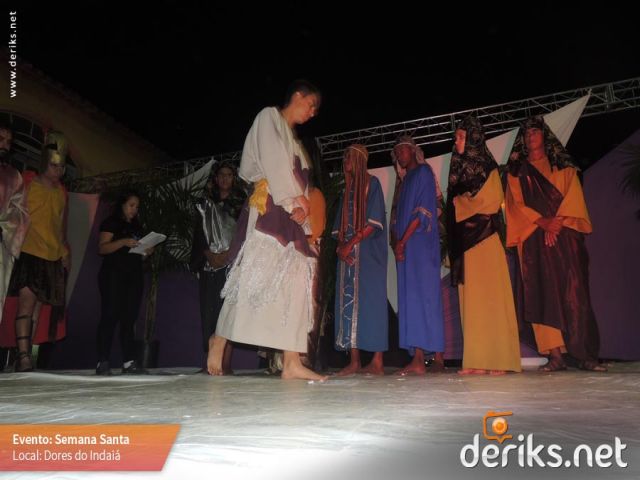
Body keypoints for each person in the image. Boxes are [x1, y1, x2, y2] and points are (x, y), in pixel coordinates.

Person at [207, 80, 327, 381]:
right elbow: (274, 165)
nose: (313, 112)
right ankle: (219, 339)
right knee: (253, 276)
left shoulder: (296, 143)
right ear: (297, 96)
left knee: (296, 283)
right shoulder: (268, 117)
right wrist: (293, 201)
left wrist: (303, 213)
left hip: (292, 215)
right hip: (270, 209)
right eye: (311, 104)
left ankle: (291, 360)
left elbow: (302, 184)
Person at [505, 116, 605, 372]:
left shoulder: (563, 166)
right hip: (533, 238)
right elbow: (515, 204)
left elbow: (573, 195)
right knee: (541, 292)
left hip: (565, 234)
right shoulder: (517, 173)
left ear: (545, 136)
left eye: (535, 132)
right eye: (527, 133)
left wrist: (557, 222)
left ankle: (585, 355)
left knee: (575, 293)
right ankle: (555, 355)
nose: (530, 136)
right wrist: (543, 222)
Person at [446, 116, 521, 375]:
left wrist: (462, 204)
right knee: (472, 302)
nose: (456, 141)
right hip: (466, 245)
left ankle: (498, 360)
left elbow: (491, 202)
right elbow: (453, 206)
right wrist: (460, 203)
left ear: (473, 139)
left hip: (485, 240)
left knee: (491, 300)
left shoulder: (489, 168)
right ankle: (476, 361)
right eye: (456, 137)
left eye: (461, 137)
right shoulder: (457, 171)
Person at [8, 131, 70, 372]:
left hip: (51, 255)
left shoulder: (61, 192)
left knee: (37, 310)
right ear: (45, 163)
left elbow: (60, 226)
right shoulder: (28, 182)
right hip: (29, 251)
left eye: (62, 167)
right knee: (26, 304)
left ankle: (24, 356)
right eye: (54, 165)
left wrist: (64, 252)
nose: (58, 171)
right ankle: (23, 357)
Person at [331, 144, 388, 376]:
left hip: (368, 256)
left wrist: (350, 244)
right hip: (348, 257)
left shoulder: (372, 184)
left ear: (360, 160)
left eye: (349, 156)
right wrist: (340, 249)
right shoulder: (347, 190)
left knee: (372, 304)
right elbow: (338, 229)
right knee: (348, 305)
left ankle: (377, 361)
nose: (345, 159)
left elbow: (374, 223)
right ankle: (354, 360)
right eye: (344, 156)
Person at [393, 136, 445, 375]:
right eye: (396, 153)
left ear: (413, 150)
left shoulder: (424, 172)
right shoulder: (405, 181)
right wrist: (400, 243)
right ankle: (419, 357)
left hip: (421, 246)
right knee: (413, 298)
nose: (399, 155)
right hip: (407, 248)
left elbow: (423, 213)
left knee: (427, 296)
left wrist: (402, 241)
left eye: (402, 150)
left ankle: (436, 357)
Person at [190, 161, 246, 374]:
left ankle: (226, 364)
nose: (224, 178)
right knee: (208, 311)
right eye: (221, 174)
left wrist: (227, 255)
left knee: (227, 312)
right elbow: (198, 233)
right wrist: (208, 254)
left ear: (234, 178)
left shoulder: (241, 204)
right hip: (208, 264)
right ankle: (211, 362)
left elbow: (244, 233)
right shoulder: (205, 203)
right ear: (215, 178)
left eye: (229, 175)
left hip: (231, 264)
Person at [95, 192, 149, 375]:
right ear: (122, 205)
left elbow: (138, 254)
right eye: (131, 205)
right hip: (113, 275)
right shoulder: (111, 222)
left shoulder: (137, 226)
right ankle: (103, 361)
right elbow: (102, 248)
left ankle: (128, 362)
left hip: (133, 276)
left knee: (129, 319)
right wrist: (123, 242)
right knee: (109, 316)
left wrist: (146, 251)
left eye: (137, 207)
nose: (134, 210)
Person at [0, 122, 29, 325]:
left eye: (8, 142)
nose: (4, 145)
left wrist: (4, 226)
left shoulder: (13, 176)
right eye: (0, 139)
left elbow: (20, 212)